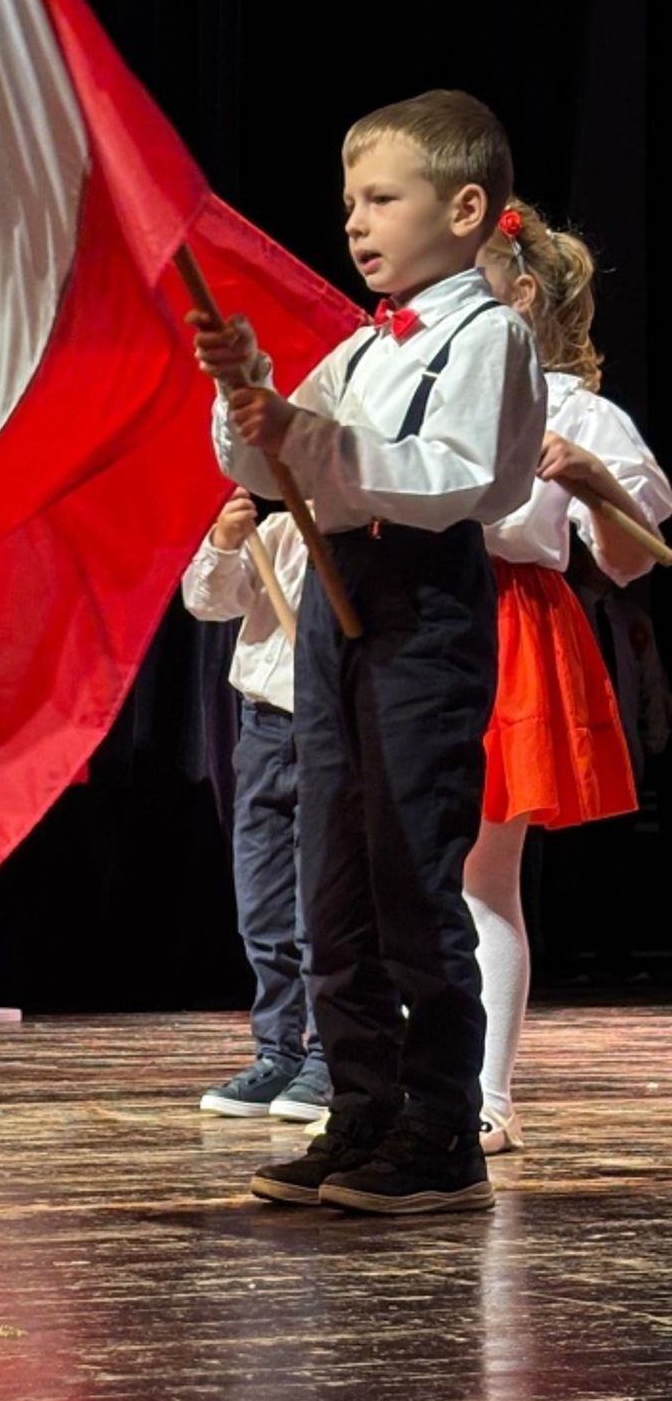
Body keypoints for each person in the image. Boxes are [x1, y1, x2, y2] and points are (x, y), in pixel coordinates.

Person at [195, 89, 546, 1214]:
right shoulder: (360, 344)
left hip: (420, 598)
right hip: (337, 599)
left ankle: (441, 1128)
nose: (356, 220)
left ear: (466, 209)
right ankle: (360, 1107)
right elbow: (271, 468)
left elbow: (457, 477)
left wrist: (304, 434)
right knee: (331, 870)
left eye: (383, 198)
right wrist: (246, 394)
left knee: (406, 863)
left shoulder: (487, 337)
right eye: (351, 200)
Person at [467, 199, 672, 1153]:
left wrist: (590, 476)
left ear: (519, 294)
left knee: (480, 873)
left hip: (504, 618)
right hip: (412, 613)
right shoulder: (417, 376)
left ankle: (486, 1092)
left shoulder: (572, 409)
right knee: (392, 865)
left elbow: (630, 556)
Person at [182, 490, 329, 1123]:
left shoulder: (365, 532)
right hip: (264, 727)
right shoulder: (278, 530)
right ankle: (278, 1052)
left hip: (329, 725)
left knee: (322, 906)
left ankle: (330, 1056)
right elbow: (207, 601)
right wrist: (225, 539)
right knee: (262, 907)